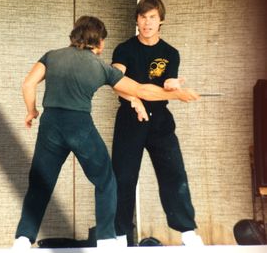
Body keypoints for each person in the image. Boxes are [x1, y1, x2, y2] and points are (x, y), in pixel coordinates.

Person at [12, 15, 199, 250]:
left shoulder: (51, 56)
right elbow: (141, 89)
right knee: (106, 181)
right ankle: (107, 240)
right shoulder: (100, 66)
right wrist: (176, 95)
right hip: (79, 125)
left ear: (75, 35)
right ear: (99, 42)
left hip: (50, 125)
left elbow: (28, 84)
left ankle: (22, 239)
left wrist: (32, 111)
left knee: (40, 182)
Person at [111, 0, 204, 246]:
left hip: (160, 120)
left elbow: (167, 85)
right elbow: (115, 81)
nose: (147, 22)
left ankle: (187, 232)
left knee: (174, 173)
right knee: (123, 177)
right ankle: (120, 235)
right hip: (130, 120)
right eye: (143, 17)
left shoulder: (170, 53)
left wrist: (173, 86)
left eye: (152, 17)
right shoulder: (124, 49)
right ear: (137, 20)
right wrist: (134, 99)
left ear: (161, 20)